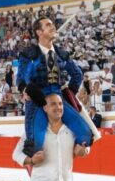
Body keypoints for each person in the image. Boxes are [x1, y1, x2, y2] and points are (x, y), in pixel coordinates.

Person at [17, 17, 96, 157]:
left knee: (85, 135)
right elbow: (21, 79)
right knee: (34, 145)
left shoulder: (61, 53)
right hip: (37, 98)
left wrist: (69, 93)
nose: (53, 27)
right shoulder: (29, 54)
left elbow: (77, 75)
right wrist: (25, 90)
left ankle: (66, 154)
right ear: (39, 32)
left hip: (58, 97)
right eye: (48, 25)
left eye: (52, 24)